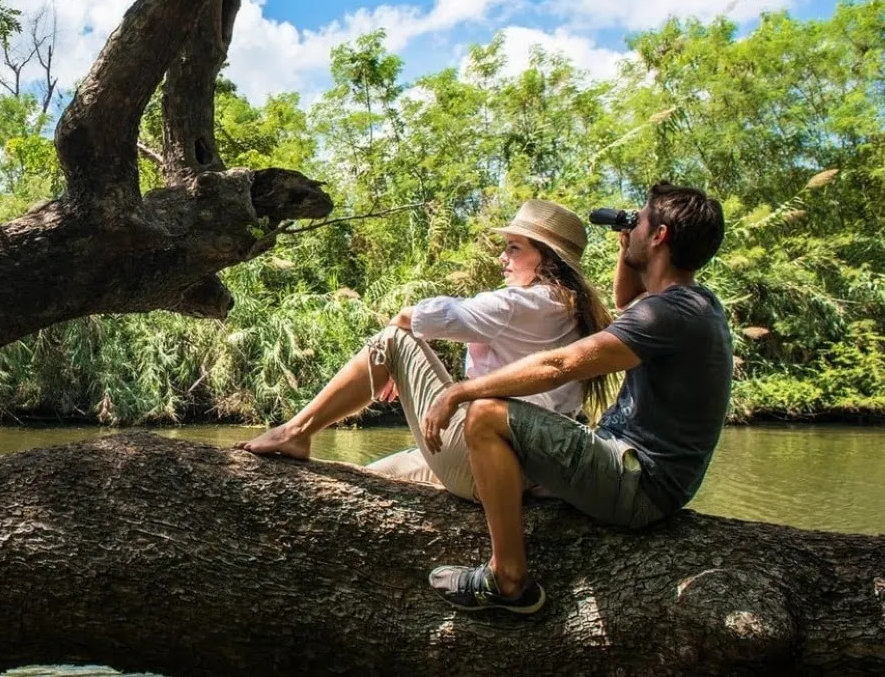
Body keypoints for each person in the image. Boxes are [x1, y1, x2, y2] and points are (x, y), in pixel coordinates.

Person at [423, 181, 732, 615]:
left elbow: (560, 365)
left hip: (638, 482)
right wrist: (630, 244)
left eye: (639, 221)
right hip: (644, 475)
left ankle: (506, 578)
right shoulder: (691, 304)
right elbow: (627, 299)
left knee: (486, 415)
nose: (632, 225)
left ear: (659, 237)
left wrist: (461, 389)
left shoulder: (671, 313)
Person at [236, 200, 613, 503]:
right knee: (377, 476)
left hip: (486, 459)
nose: (503, 257)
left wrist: (403, 356)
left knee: (392, 339)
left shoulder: (523, 303)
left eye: (514, 248)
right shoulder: (573, 310)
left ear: (546, 258)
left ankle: (295, 430)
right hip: (523, 473)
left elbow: (409, 317)